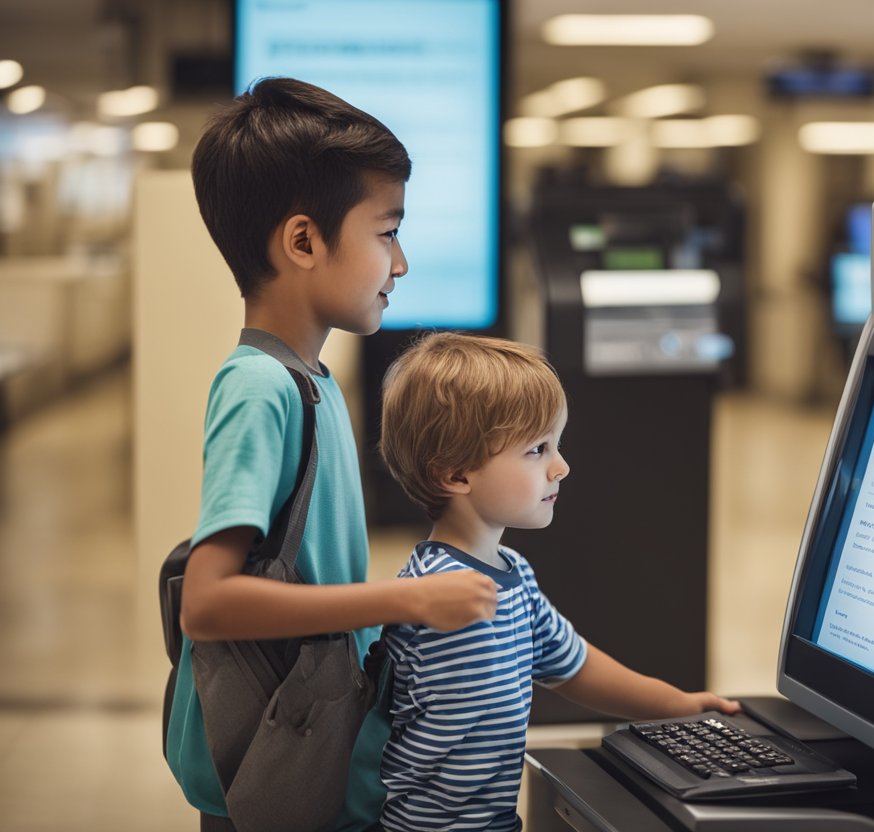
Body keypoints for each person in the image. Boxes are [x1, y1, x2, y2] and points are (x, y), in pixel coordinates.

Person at [167, 77, 499, 831]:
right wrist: (406, 600)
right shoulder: (260, 388)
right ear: (304, 242)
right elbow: (210, 604)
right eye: (386, 233)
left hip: (300, 751)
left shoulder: (309, 380)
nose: (402, 263)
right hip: (259, 775)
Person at [376, 331, 741, 832]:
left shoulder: (514, 577)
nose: (561, 467)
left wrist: (677, 705)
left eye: (557, 444)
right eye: (537, 450)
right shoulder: (435, 596)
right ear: (455, 474)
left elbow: (576, 667)